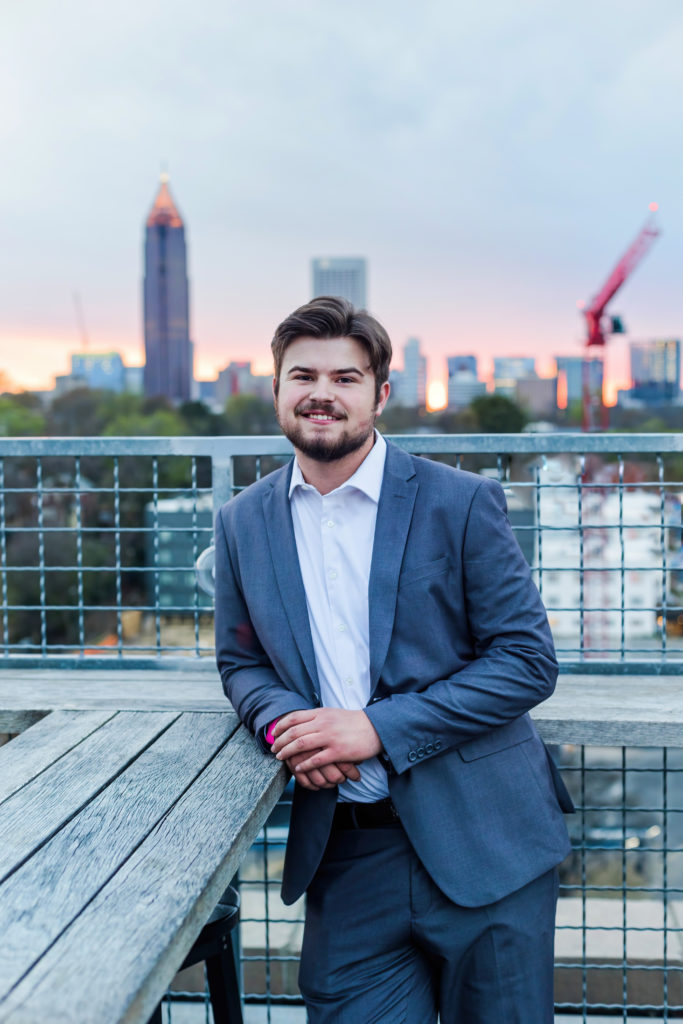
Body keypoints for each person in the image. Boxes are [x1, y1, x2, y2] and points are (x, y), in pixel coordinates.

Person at [214, 296, 573, 1023]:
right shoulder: (240, 522)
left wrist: (376, 729)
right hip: (347, 858)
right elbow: (240, 663)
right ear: (276, 390)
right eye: (302, 375)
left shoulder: (461, 502)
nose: (321, 393)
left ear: (379, 396)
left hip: (488, 845)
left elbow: (526, 659)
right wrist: (287, 725)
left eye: (345, 378)